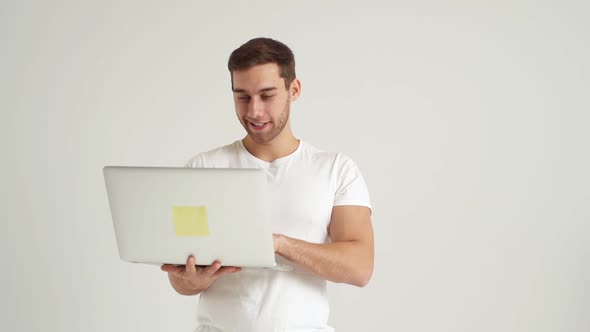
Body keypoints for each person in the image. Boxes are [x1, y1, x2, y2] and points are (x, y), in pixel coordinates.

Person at [161, 37, 374, 332]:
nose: (254, 111)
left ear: (294, 90)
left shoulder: (336, 169)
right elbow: (181, 281)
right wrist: (194, 280)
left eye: (267, 95)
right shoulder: (203, 168)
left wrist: (278, 244)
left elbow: (360, 267)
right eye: (242, 97)